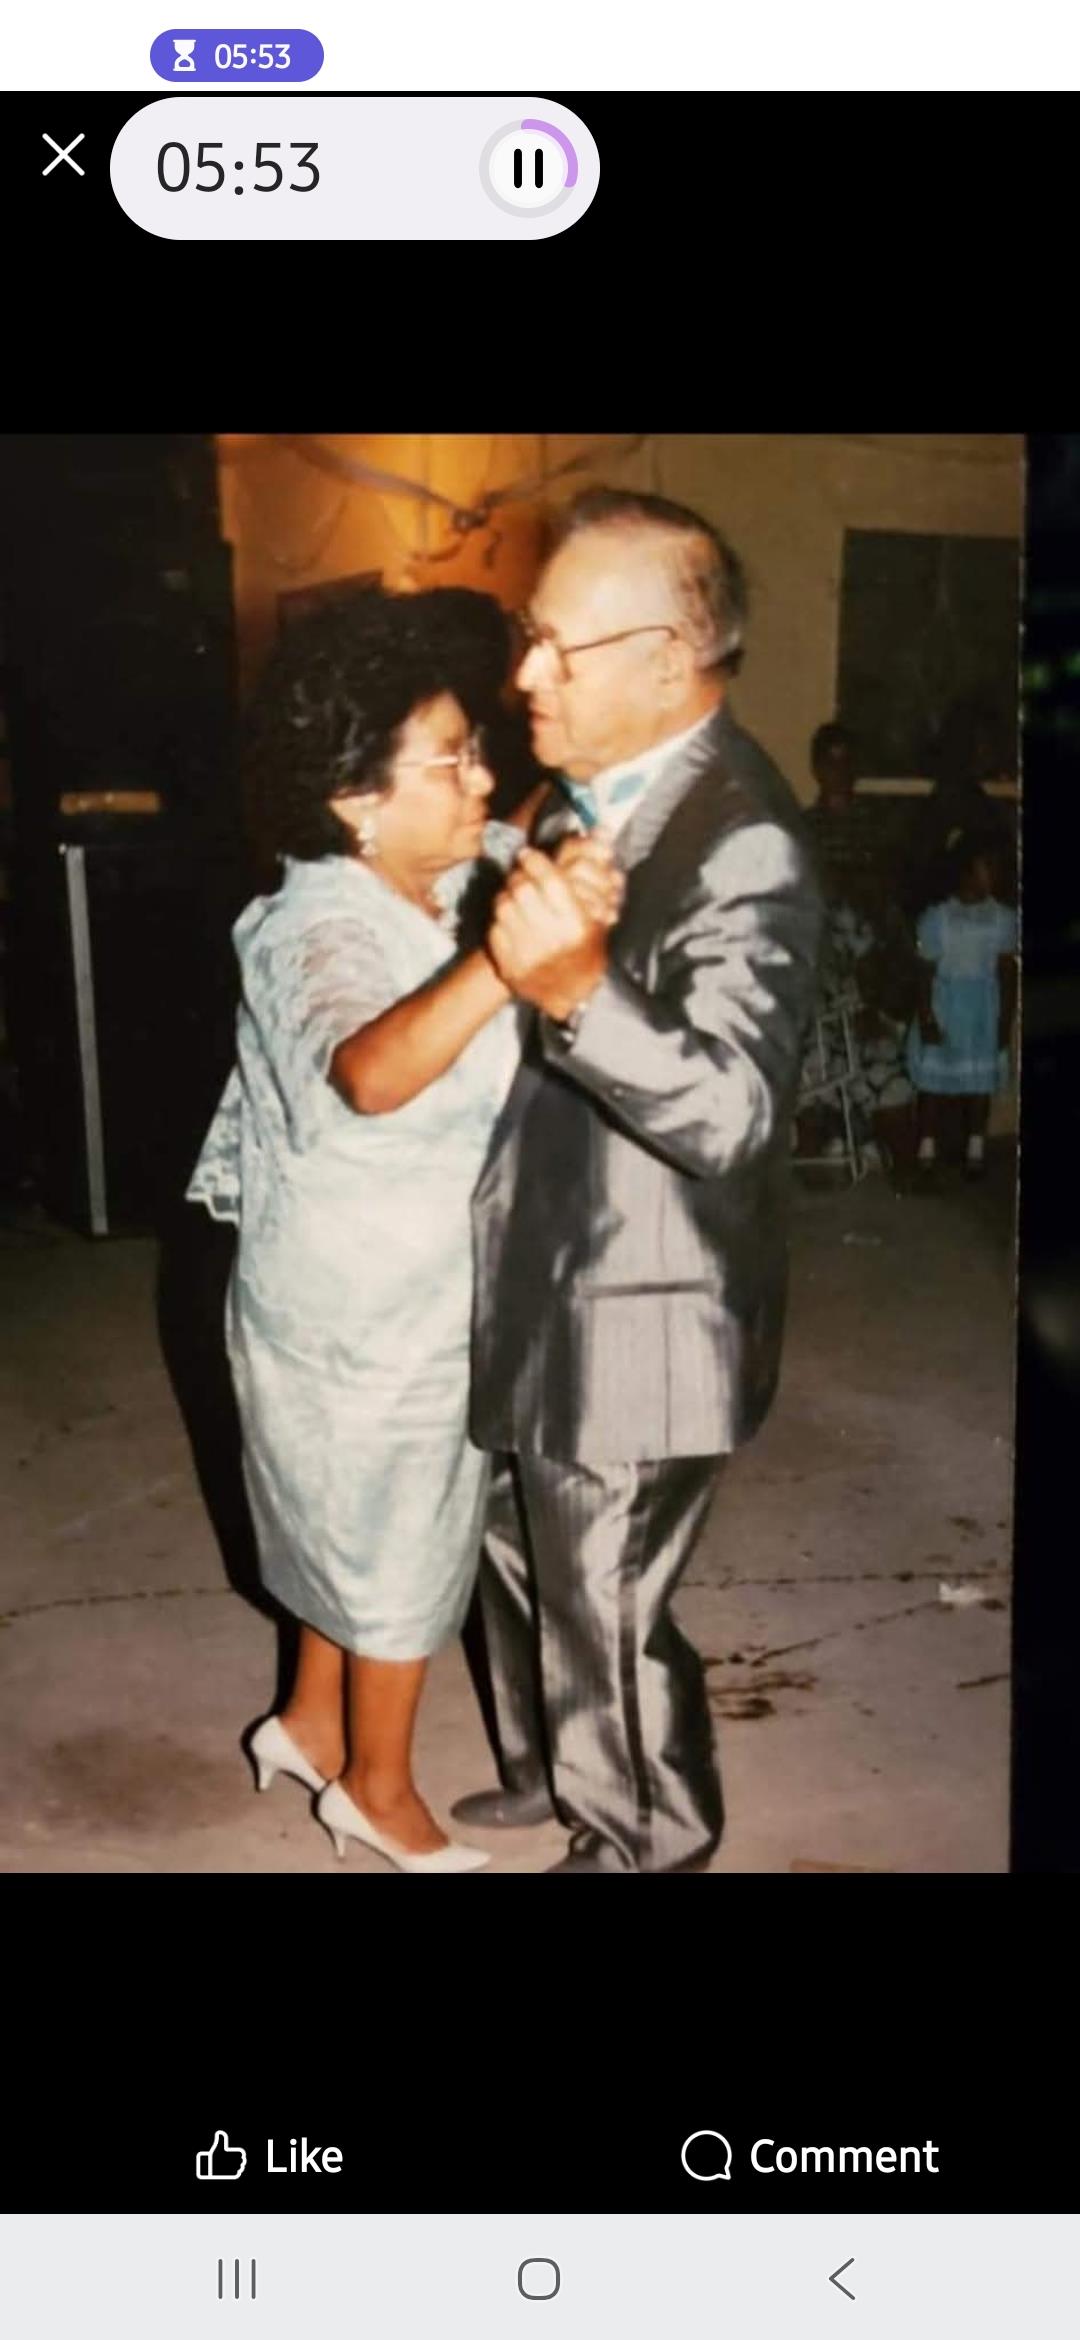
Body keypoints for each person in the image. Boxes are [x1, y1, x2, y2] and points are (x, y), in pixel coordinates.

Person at [185, 590, 620, 1874]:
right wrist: (508, 964)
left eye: (481, 747)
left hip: (395, 1289)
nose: (485, 775)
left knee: (347, 1522)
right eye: (454, 761)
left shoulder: (433, 876)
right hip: (360, 1314)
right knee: (393, 1539)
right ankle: (377, 1790)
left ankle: (310, 1723)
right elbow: (368, 1073)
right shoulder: (313, 922)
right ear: (357, 805)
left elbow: (542, 819)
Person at [453, 487, 823, 1874]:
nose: (524, 674)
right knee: (506, 1532)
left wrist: (578, 997)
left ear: (670, 661)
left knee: (603, 1592)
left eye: (558, 646)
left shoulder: (745, 841)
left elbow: (730, 1113)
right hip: (544, 1262)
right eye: (527, 639)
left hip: (645, 1300)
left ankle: (644, 1838)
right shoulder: (583, 792)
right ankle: (556, 1765)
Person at [906, 829, 1018, 1183]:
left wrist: (1005, 1021)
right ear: (966, 871)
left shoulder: (1002, 919)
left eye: (998, 868)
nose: (995, 875)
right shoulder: (938, 918)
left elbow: (1006, 972)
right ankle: (926, 1148)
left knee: (978, 1085)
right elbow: (924, 972)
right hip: (945, 1008)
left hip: (983, 1013)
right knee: (933, 1086)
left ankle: (975, 1149)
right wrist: (926, 1016)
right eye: (988, 867)